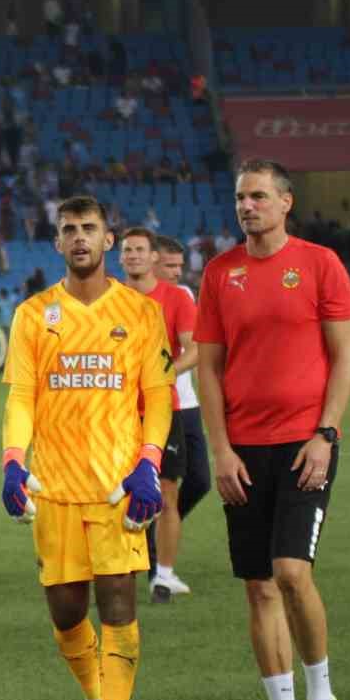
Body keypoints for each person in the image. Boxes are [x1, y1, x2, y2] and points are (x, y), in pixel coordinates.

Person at [1, 194, 173, 700]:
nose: (79, 237)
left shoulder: (142, 313)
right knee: (66, 611)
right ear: (57, 242)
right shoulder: (33, 315)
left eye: (89, 228)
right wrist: (11, 461)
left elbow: (159, 399)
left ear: (108, 240)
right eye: (69, 229)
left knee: (119, 604)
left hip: (117, 490)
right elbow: (23, 397)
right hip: (53, 487)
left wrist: (149, 463)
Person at [195, 159, 350, 700]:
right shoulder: (219, 273)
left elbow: (343, 357)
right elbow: (208, 367)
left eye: (259, 196)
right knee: (259, 586)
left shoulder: (319, 265)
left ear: (286, 202)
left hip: (303, 444)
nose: (247, 206)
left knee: (291, 572)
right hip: (244, 450)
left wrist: (327, 433)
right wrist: (221, 448)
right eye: (240, 197)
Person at [119, 227, 199, 602]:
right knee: (110, 494)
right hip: (114, 412)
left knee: (167, 494)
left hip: (161, 411)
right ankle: (115, 568)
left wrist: (166, 372)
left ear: (153, 257)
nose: (133, 255)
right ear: (120, 257)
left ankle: (163, 577)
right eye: (127, 250)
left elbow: (194, 348)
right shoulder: (109, 299)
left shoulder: (176, 298)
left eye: (140, 250)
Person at [151, 234, 212, 596]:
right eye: (170, 266)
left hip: (186, 405)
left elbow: (197, 348)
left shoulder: (183, 297)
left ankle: (155, 536)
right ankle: (156, 553)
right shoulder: (135, 298)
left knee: (201, 481)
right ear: (153, 263)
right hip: (161, 404)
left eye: (179, 266)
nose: (177, 272)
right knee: (162, 488)